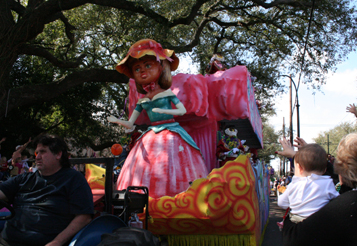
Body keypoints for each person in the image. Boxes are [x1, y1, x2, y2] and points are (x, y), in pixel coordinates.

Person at [107, 39, 208, 198]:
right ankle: (140, 205)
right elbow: (130, 123)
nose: (142, 71)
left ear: (161, 67)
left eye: (148, 65)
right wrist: (116, 120)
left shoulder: (166, 93)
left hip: (172, 133)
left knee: (174, 167)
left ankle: (181, 202)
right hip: (151, 135)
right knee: (143, 168)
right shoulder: (143, 100)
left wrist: (163, 110)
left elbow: (181, 110)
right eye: (137, 68)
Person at [282, 133, 357, 246]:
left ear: (344, 169)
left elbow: (293, 239)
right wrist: (309, 156)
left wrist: (290, 217)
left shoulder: (353, 204)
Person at [0, 134, 94, 246]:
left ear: (58, 154)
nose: (37, 157)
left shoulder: (73, 179)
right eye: (36, 153)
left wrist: (57, 242)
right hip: (7, 242)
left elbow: (84, 217)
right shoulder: (23, 179)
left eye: (43, 152)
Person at [277, 143, 338, 224]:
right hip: (319, 221)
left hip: (296, 220)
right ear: (324, 170)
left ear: (299, 168)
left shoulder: (294, 184)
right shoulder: (328, 183)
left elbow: (281, 203)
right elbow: (337, 200)